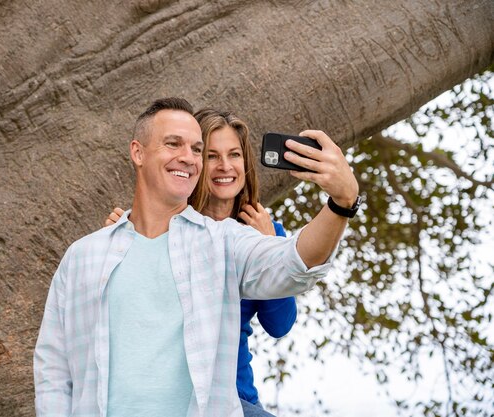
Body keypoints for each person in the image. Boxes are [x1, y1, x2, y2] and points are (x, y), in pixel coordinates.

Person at [34, 97, 360, 417]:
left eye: (197, 150)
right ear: (138, 152)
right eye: (175, 144)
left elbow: (293, 268)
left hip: (232, 396)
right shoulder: (86, 255)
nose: (191, 158)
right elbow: (54, 365)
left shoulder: (229, 241)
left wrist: (341, 202)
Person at [104, 108, 296, 417]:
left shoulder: (264, 232)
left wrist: (270, 249)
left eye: (234, 155)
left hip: (237, 398)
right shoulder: (158, 225)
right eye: (211, 156)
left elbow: (279, 325)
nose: (225, 166)